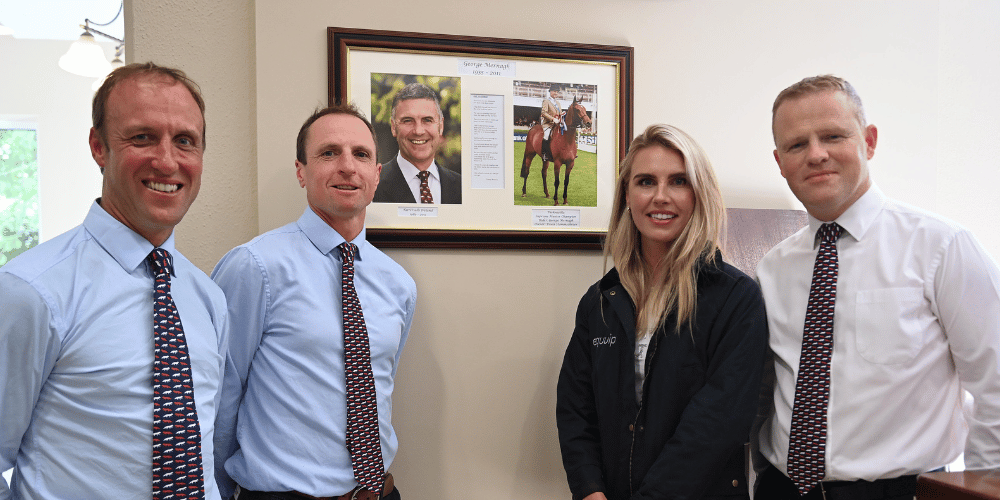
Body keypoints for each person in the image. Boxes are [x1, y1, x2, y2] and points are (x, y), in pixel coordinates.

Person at [755, 75, 1000, 499]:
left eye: (833, 135)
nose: (816, 154)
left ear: (868, 141)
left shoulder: (941, 247)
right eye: (797, 145)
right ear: (779, 162)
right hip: (783, 489)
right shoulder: (770, 269)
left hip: (900, 491)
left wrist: (977, 488)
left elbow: (995, 382)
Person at [0, 62, 227, 499]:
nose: (167, 160)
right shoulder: (30, 291)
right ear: (99, 147)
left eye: (185, 141)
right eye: (142, 137)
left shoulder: (208, 298)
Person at [212, 103, 416, 500]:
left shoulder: (398, 284)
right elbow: (219, 395)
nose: (347, 166)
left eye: (361, 154)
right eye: (328, 153)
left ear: (376, 175)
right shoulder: (255, 267)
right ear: (300, 171)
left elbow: (379, 384)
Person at [557, 124, 768, 500]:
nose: (661, 197)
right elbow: (575, 410)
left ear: (699, 194)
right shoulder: (600, 301)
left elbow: (717, 424)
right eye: (645, 182)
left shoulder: (736, 299)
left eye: (679, 181)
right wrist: (590, 492)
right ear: (627, 195)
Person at [372, 82, 461, 204]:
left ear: (440, 126)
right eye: (408, 120)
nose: (418, 131)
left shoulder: (461, 186)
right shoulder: (372, 186)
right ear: (393, 127)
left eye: (427, 120)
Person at [540, 83, 563, 161]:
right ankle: (544, 154)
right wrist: (553, 119)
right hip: (548, 124)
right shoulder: (546, 101)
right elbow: (544, 112)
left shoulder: (558, 103)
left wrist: (562, 114)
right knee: (546, 136)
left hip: (557, 124)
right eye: (554, 91)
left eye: (557, 92)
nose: (556, 93)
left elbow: (559, 113)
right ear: (550, 92)